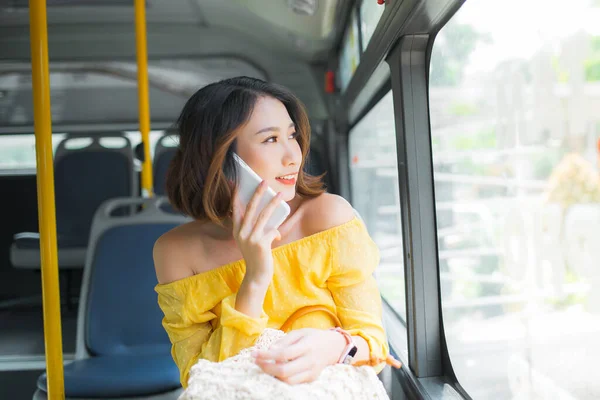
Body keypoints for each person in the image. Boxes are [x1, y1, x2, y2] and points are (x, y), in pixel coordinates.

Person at [153, 76, 391, 389]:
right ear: (222, 159)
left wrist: (333, 346)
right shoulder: (176, 251)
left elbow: (373, 344)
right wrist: (255, 278)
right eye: (270, 140)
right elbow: (201, 380)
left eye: (291, 136)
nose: (294, 155)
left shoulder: (328, 218)